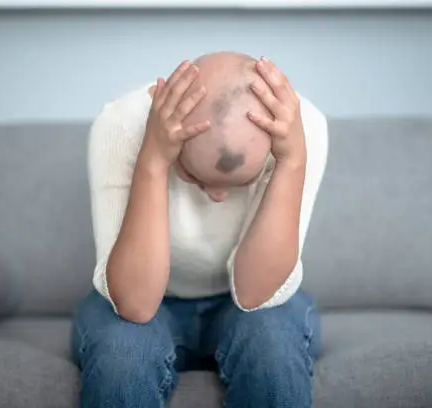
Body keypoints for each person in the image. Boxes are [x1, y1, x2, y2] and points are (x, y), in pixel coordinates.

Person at [71, 51, 329, 408]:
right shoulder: (121, 123)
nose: (218, 197)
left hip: (251, 304)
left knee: (273, 354)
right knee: (121, 359)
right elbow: (136, 304)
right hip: (148, 298)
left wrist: (292, 162)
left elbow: (256, 295)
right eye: (193, 176)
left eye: (239, 183)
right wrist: (154, 160)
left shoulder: (301, 127)